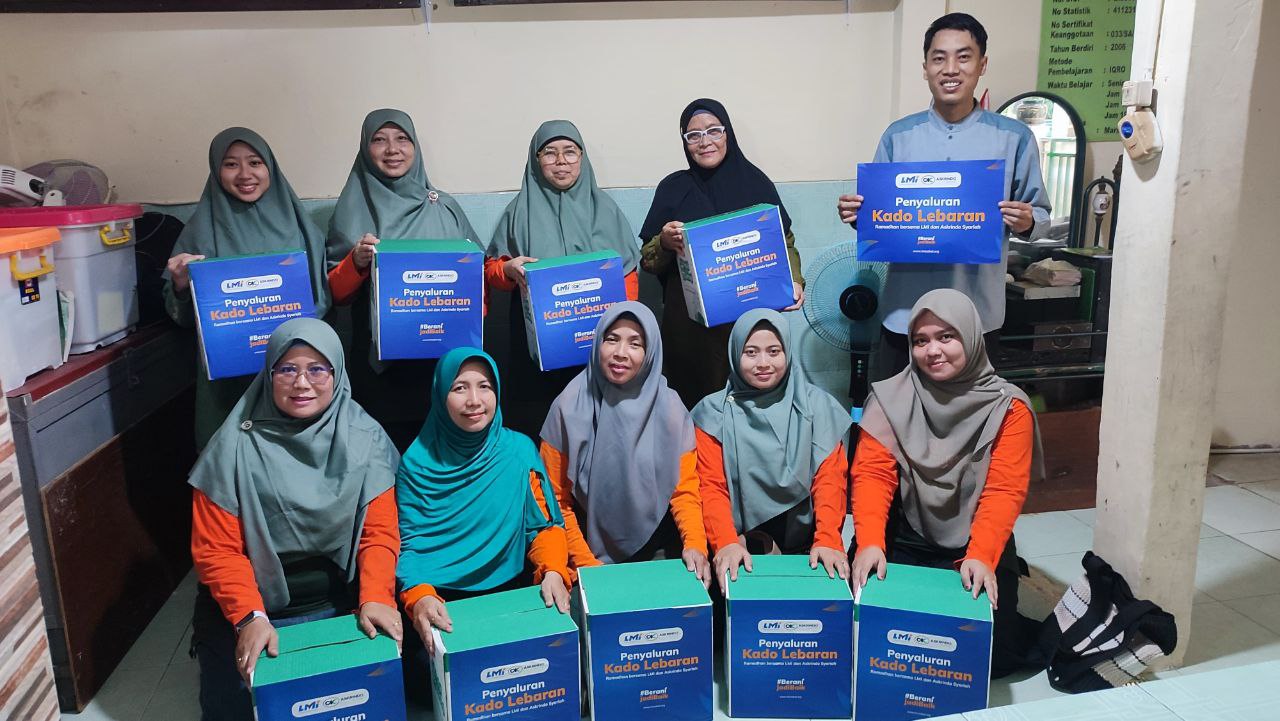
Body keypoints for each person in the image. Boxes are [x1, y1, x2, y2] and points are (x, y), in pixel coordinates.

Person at [188, 318, 400, 721]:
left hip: (337, 595)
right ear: (268, 375)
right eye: (287, 369)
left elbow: (379, 533)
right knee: (236, 705)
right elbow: (216, 551)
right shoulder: (232, 446)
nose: (302, 383)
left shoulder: (364, 437)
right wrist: (250, 617)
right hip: (249, 602)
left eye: (317, 369)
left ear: (337, 374)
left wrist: (375, 596)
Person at [835, 13, 1051, 381]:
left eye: (963, 57)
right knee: (897, 424)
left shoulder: (1014, 138)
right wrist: (860, 215)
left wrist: (1028, 220)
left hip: (977, 317)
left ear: (982, 64)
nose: (950, 69)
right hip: (905, 315)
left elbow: (1041, 214)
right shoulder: (898, 136)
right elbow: (881, 219)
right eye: (939, 58)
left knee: (970, 426)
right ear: (925, 68)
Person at [849, 289, 1043, 678]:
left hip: (974, 536)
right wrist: (869, 541)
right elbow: (872, 475)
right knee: (875, 641)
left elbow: (1004, 490)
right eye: (920, 341)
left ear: (971, 337)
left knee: (987, 653)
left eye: (946, 337)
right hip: (902, 531)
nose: (932, 351)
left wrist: (982, 555)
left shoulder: (1009, 407)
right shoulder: (890, 398)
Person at [396, 347, 572, 662]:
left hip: (514, 592)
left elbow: (543, 525)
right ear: (439, 395)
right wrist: (419, 597)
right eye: (459, 388)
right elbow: (411, 546)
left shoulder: (518, 450)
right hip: (444, 603)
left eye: (484, 386)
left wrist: (554, 570)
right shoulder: (416, 463)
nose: (474, 400)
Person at [164, 127, 332, 450]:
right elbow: (182, 317)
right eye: (231, 164)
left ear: (270, 166)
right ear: (216, 170)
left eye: (255, 162)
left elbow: (323, 301)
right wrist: (182, 285)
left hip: (295, 375)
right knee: (232, 467)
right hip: (228, 386)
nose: (245, 174)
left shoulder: (302, 229)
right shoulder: (200, 230)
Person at [326, 109, 482, 451]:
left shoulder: (445, 207)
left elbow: (477, 278)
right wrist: (356, 262)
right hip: (382, 371)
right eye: (379, 140)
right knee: (386, 460)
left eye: (402, 139)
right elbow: (335, 294)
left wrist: (472, 312)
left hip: (444, 365)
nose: (392, 149)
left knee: (445, 458)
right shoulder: (352, 208)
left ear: (415, 148)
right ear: (365, 149)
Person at [640, 98, 805, 409]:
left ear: (727, 133)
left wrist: (795, 280)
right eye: (693, 135)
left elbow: (786, 242)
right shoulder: (673, 188)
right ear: (685, 142)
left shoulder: (755, 183)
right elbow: (647, 260)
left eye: (714, 131)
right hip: (689, 330)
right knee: (693, 405)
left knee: (751, 402)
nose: (705, 142)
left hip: (748, 322)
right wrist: (663, 242)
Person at [487, 120, 641, 438]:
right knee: (543, 428)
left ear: (582, 158)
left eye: (570, 152)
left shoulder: (607, 210)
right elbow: (492, 272)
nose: (561, 162)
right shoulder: (517, 212)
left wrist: (619, 335)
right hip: (537, 354)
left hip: (599, 348)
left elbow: (628, 275)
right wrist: (508, 270)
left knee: (602, 429)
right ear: (535, 160)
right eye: (550, 153)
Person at [540, 302, 711, 586]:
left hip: (658, 545)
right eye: (611, 339)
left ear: (650, 352)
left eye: (635, 343)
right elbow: (556, 501)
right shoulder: (568, 407)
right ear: (597, 343)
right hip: (584, 549)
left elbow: (684, 490)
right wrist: (587, 565)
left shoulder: (669, 408)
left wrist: (695, 544)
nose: (620, 353)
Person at [692, 309, 852, 593]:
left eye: (774, 351)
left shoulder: (817, 407)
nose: (763, 363)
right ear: (734, 353)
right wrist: (725, 542)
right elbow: (711, 487)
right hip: (735, 543)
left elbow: (830, 480)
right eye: (751, 352)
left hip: (805, 543)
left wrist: (828, 539)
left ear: (787, 352)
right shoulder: (713, 413)